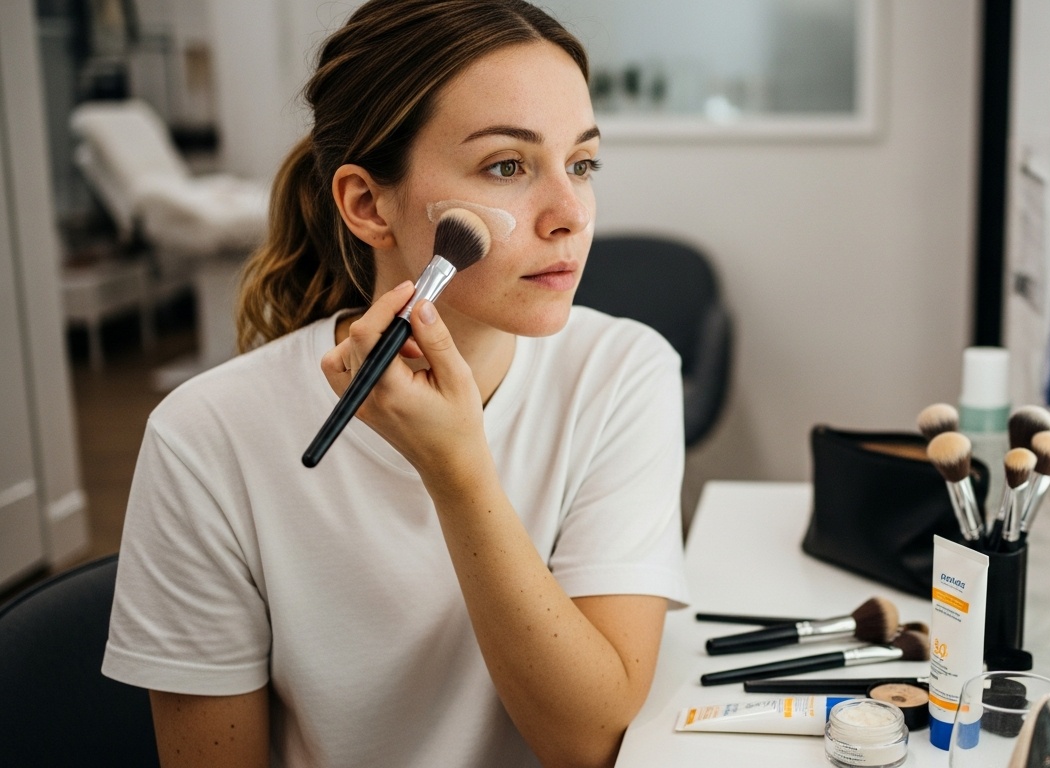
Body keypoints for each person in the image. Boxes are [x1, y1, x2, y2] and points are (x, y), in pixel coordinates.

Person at [101, 2, 688, 766]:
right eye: (507, 166)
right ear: (368, 205)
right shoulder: (205, 439)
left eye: (582, 164)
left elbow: (590, 742)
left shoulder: (622, 372)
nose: (570, 213)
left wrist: (459, 473)